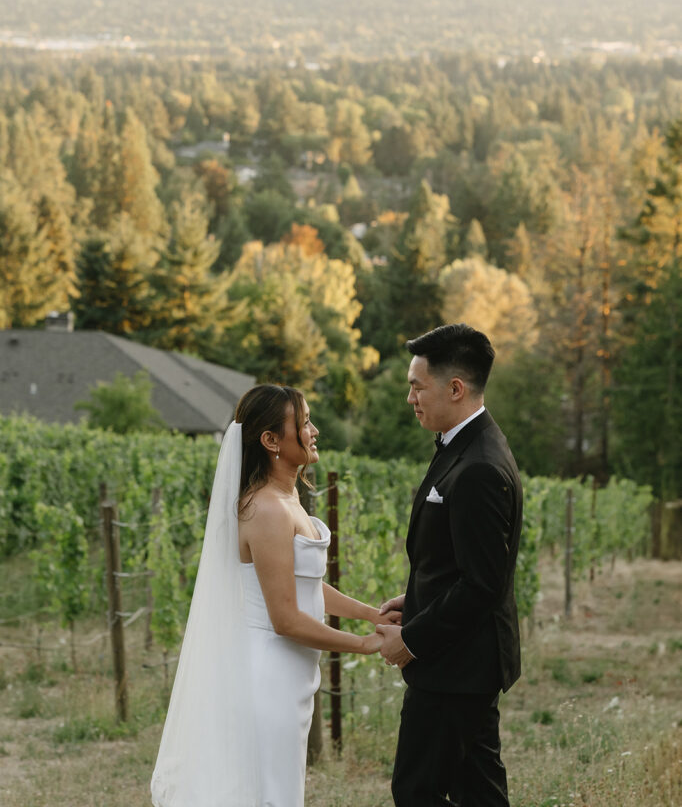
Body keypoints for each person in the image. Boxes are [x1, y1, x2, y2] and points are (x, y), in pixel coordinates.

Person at [151, 383, 383, 807]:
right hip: (269, 675)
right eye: (305, 423)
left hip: (291, 673)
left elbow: (305, 584)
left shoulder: (287, 497)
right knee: (271, 794)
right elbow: (286, 619)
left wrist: (373, 615)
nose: (314, 431)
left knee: (279, 789)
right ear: (271, 440)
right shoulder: (266, 509)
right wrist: (365, 645)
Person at [377, 324, 523, 807]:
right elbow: (461, 561)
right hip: (464, 661)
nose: (410, 398)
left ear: (455, 388)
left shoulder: (479, 465)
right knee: (478, 793)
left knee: (416, 790)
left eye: (417, 386)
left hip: (456, 667)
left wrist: (412, 639)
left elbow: (482, 584)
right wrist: (416, 599)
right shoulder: (465, 444)